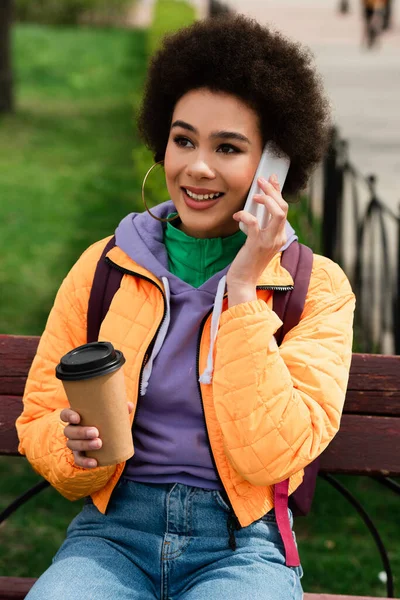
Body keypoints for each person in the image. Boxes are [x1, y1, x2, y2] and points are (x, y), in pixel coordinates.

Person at [16, 14, 355, 600]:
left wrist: (245, 289)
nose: (197, 167)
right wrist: (73, 450)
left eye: (228, 148)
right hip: (111, 535)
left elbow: (276, 452)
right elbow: (41, 415)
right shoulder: (105, 267)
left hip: (242, 541)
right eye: (183, 139)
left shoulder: (316, 288)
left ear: (275, 166)